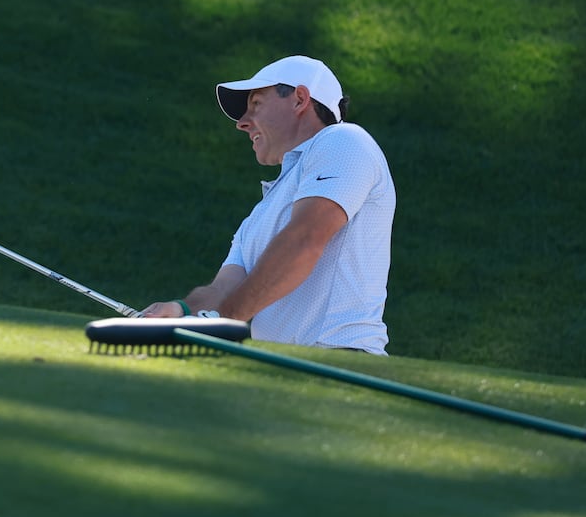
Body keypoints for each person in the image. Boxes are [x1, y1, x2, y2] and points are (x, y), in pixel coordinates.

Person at [140, 55, 395, 354]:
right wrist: (180, 310)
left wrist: (220, 322)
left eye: (256, 104)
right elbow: (223, 289)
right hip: (283, 368)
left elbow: (304, 241)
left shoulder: (344, 140)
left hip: (341, 358)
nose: (242, 123)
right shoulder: (259, 215)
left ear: (300, 99)